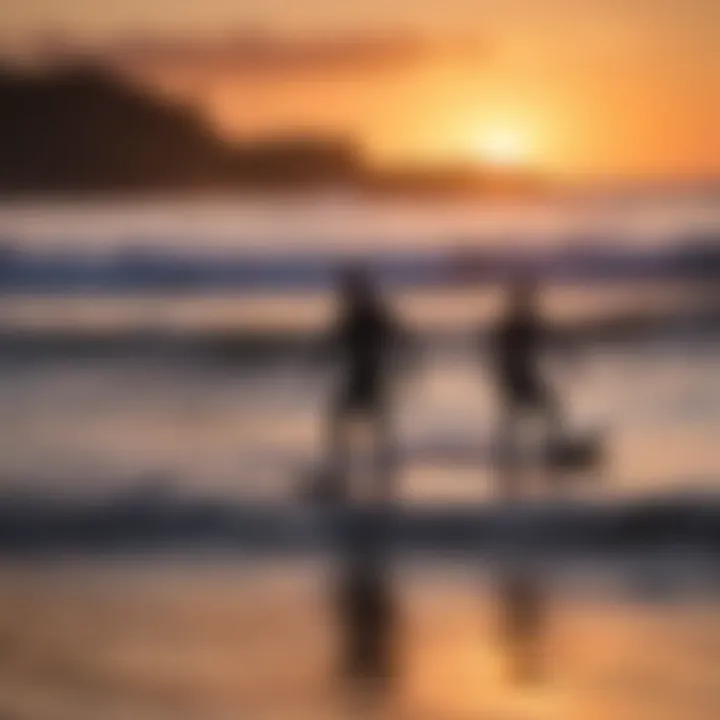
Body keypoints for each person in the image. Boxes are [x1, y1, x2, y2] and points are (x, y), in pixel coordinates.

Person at [319, 265, 405, 503]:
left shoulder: (363, 316)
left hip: (367, 377)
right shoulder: (366, 314)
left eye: (349, 291)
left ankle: (350, 464)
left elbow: (397, 337)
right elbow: (398, 337)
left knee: (352, 421)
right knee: (366, 422)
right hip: (367, 376)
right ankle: (378, 466)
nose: (345, 296)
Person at [489, 278, 563, 499]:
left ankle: (509, 457)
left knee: (525, 415)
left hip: (518, 377)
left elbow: (549, 337)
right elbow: (498, 351)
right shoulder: (514, 324)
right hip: (516, 377)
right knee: (541, 411)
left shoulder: (518, 323)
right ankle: (537, 453)